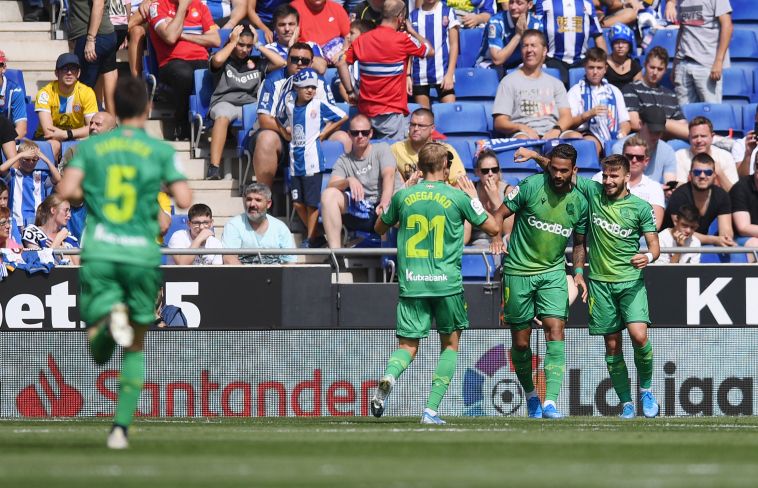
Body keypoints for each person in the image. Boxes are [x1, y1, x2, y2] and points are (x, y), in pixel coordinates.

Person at [56, 76, 192, 450]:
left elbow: (66, 191)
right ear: (147, 109)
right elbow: (184, 197)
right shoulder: (158, 150)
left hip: (100, 251)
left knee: (99, 348)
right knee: (135, 345)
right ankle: (120, 429)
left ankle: (107, 324)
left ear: (114, 107)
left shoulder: (94, 148)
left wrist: (96, 190)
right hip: (140, 255)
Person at [519, 150, 661, 419]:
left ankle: (646, 390)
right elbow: (558, 168)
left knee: (639, 336)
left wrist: (649, 256)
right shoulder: (593, 192)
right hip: (600, 284)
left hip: (630, 283)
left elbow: (655, 245)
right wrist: (533, 155)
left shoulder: (641, 208)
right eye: (605, 175)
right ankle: (627, 403)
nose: (608, 180)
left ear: (627, 177)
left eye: (614, 176)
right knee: (612, 345)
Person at [370, 142, 500, 424]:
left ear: (419, 167)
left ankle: (390, 375)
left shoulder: (405, 196)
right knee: (450, 346)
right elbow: (493, 227)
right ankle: (430, 410)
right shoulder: (456, 196)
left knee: (407, 346)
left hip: (412, 283)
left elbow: (379, 228)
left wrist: (401, 192)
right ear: (445, 167)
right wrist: (473, 197)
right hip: (447, 285)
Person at [490, 143, 589, 419]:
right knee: (521, 342)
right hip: (519, 272)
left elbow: (580, 243)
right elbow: (498, 214)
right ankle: (532, 396)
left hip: (553, 273)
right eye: (554, 169)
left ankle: (551, 403)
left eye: (564, 171)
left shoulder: (580, 202)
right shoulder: (531, 186)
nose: (557, 175)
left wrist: (578, 273)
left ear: (574, 171)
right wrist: (496, 236)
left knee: (555, 330)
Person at [336, 0, 434, 140]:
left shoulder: (362, 39)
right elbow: (430, 51)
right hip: (392, 116)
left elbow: (340, 63)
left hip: (365, 114)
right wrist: (412, 31)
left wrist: (350, 92)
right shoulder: (403, 39)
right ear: (400, 18)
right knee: (391, 158)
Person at [251, 43, 344, 189]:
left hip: (313, 138)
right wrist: (292, 133)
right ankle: (264, 198)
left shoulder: (319, 81)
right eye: (294, 59)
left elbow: (333, 117)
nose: (299, 63)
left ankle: (341, 196)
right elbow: (264, 120)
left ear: (311, 63)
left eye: (305, 61)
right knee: (266, 138)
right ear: (287, 60)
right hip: (283, 137)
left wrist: (319, 134)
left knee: (343, 138)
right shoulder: (273, 80)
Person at [276, 68, 347, 247]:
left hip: (312, 161)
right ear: (297, 87)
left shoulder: (318, 104)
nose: (310, 91)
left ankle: (310, 239)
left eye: (313, 87)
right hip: (295, 160)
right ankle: (316, 235)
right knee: (298, 203)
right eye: (306, 87)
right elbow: (278, 117)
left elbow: (342, 116)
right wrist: (285, 133)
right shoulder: (289, 103)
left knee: (311, 203)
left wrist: (324, 133)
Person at [206, 25, 286, 180]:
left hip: (250, 105)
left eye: (248, 46)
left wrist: (258, 45)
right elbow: (217, 60)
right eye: (241, 44)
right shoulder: (223, 58)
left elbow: (281, 62)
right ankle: (214, 167)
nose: (244, 49)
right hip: (225, 102)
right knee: (222, 115)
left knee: (268, 115)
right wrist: (231, 43)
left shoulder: (256, 62)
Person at [321, 114, 402, 249]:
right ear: (349, 135)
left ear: (370, 134)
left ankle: (388, 260)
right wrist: (348, 181)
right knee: (329, 195)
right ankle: (336, 255)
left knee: (388, 209)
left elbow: (389, 176)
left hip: (388, 204)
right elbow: (331, 185)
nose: (360, 136)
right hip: (363, 208)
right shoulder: (344, 160)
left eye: (364, 132)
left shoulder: (382, 149)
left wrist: (384, 202)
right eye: (355, 133)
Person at [148, 0, 221, 140]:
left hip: (201, 59)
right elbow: (170, 37)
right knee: (184, 74)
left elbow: (216, 39)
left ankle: (219, 124)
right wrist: (182, 7)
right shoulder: (157, 6)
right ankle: (181, 123)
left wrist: (183, 35)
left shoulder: (200, 6)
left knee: (222, 70)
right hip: (172, 62)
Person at [492, 29, 581, 140]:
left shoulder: (556, 83)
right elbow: (499, 122)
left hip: (552, 133)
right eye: (525, 46)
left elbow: (566, 116)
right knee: (522, 140)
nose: (529, 50)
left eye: (533, 45)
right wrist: (521, 127)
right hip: (523, 133)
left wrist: (556, 130)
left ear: (544, 51)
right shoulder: (508, 82)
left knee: (576, 137)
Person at [666, 0, 733, 105]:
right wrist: (675, 63)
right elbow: (683, 30)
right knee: (684, 116)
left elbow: (727, 26)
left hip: (707, 65)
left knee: (710, 114)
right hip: (683, 63)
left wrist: (719, 61)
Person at [567, 47, 631, 154]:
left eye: (599, 68)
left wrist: (623, 132)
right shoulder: (575, 91)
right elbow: (568, 123)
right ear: (585, 68)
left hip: (613, 136)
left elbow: (625, 121)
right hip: (586, 134)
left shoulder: (614, 91)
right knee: (590, 145)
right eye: (591, 67)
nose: (595, 72)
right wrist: (588, 114)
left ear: (605, 68)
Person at [35, 53, 99, 159]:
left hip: (75, 136)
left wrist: (67, 134)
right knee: (53, 145)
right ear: (56, 73)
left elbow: (92, 128)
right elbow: (48, 131)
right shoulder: (45, 93)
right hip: (47, 138)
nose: (69, 73)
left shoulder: (87, 92)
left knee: (94, 140)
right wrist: (66, 135)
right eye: (65, 69)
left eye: (73, 69)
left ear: (78, 73)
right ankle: (51, 175)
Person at [663, 152, 735, 247]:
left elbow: (726, 229)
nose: (702, 176)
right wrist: (713, 240)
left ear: (714, 175)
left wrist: (726, 239)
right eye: (697, 172)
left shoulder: (721, 195)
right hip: (671, 243)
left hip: (700, 243)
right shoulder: (679, 195)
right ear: (690, 175)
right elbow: (680, 231)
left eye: (708, 173)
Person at [595, 137, 665, 229]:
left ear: (646, 161)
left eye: (639, 157)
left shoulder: (654, 187)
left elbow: (655, 225)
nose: (634, 160)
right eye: (629, 156)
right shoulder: (601, 177)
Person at [621, 47, 689, 141]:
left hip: (668, 142)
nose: (655, 72)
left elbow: (683, 126)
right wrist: (665, 124)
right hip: (642, 141)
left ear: (665, 70)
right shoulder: (631, 89)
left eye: (660, 69)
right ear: (645, 65)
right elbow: (635, 123)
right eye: (652, 67)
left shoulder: (670, 95)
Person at [535, 0, 607, 87]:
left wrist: (605, 63)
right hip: (553, 60)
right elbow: (536, 35)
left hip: (581, 62)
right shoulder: (543, 1)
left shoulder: (587, 2)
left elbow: (598, 35)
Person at [222, 183, 297, 264]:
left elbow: (290, 262)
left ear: (268, 204)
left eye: (258, 200)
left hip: (276, 275)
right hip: (243, 275)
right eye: (249, 199)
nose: (252, 204)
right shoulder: (234, 225)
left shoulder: (280, 228)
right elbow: (229, 258)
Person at [69, 0, 120, 114]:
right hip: (100, 36)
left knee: (83, 90)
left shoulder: (92, 38)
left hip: (96, 37)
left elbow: (99, 4)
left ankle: (86, 124)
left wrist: (91, 38)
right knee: (91, 88)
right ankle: (109, 123)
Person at [391, 108, 466, 185]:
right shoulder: (397, 149)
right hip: (412, 195)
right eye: (412, 124)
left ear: (432, 128)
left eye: (421, 125)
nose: (416, 129)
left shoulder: (445, 150)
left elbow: (461, 182)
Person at [0, 140, 61, 231]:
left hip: (37, 221)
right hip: (17, 222)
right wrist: (20, 155)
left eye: (34, 160)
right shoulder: (13, 174)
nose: (30, 163)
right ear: (20, 159)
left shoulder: (40, 175)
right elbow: (1, 169)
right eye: (27, 159)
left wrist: (45, 159)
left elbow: (58, 178)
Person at [409, 0, 460, 108]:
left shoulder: (448, 12)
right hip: (420, 74)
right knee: (424, 117)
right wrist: (407, 75)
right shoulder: (413, 16)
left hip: (443, 73)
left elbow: (454, 45)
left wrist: (450, 74)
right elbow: (409, 49)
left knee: (449, 114)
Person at [611, 106, 677, 186]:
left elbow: (669, 182)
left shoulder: (668, 151)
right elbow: (621, 183)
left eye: (659, 132)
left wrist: (668, 190)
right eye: (652, 131)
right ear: (640, 125)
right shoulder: (620, 148)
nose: (655, 135)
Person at [675, 116, 738, 192]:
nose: (699, 140)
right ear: (689, 138)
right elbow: (679, 191)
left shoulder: (725, 156)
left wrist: (720, 174)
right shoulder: (679, 156)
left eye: (703, 136)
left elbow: (734, 193)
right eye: (695, 137)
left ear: (712, 137)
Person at [477, 0, 543, 72]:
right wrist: (518, 35)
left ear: (530, 5)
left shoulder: (536, 25)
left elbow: (539, 57)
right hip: (490, 65)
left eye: (519, 3)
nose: (513, 7)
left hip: (518, 65)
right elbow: (497, 60)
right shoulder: (496, 22)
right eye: (511, 2)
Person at [262, 4, 329, 73]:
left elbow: (321, 68)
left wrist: (292, 46)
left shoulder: (311, 46)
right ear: (275, 28)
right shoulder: (269, 49)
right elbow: (283, 65)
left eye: (291, 24)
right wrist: (292, 48)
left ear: (298, 27)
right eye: (282, 25)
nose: (287, 29)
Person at [467, 148, 510, 247]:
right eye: (485, 171)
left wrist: (496, 202)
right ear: (477, 172)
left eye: (494, 170)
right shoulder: (471, 189)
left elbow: (508, 231)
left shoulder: (508, 191)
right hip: (477, 241)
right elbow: (465, 231)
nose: (490, 174)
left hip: (502, 241)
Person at [22, 194, 80, 265]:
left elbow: (80, 268)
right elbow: (39, 262)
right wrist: (57, 241)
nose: (69, 215)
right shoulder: (32, 232)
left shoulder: (70, 238)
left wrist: (62, 253)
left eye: (70, 211)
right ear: (53, 210)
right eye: (66, 210)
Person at [729, 156, 758, 260]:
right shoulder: (741, 188)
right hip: (740, 238)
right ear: (755, 166)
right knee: (756, 244)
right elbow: (743, 228)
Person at [604, 23, 642, 90]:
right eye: (616, 42)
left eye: (624, 42)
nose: (620, 46)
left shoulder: (635, 65)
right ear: (612, 45)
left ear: (629, 45)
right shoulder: (603, 63)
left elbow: (638, 90)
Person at [0, 50, 28, 139]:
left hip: (9, 138)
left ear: (3, 68)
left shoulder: (15, 91)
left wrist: (6, 143)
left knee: (30, 148)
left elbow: (21, 129)